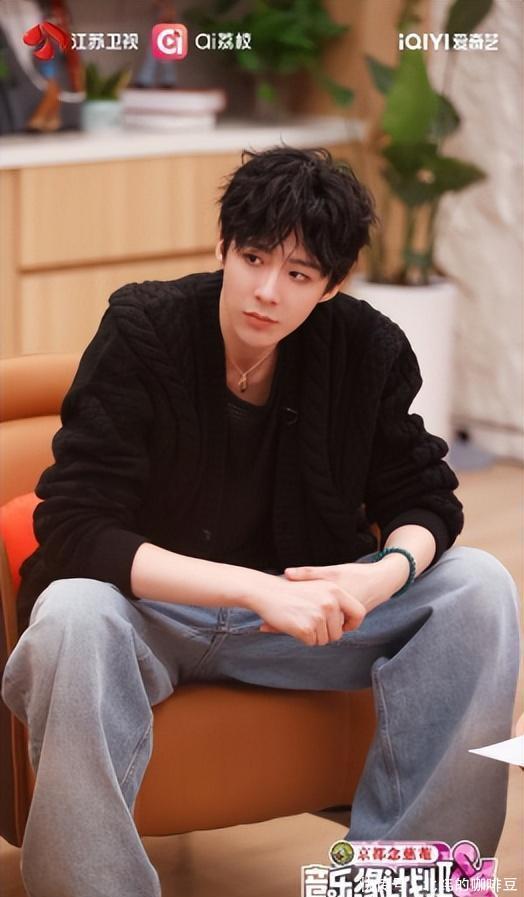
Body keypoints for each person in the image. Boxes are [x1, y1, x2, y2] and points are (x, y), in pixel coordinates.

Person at [1, 147, 519, 897]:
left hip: (305, 623)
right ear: (222, 246)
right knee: (70, 614)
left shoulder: (365, 348)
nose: (267, 292)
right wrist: (254, 589)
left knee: (478, 585)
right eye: (253, 259)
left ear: (332, 285)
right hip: (155, 614)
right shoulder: (144, 328)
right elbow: (76, 525)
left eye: (300, 275)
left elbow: (427, 498)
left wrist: (382, 575)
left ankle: (407, 884)